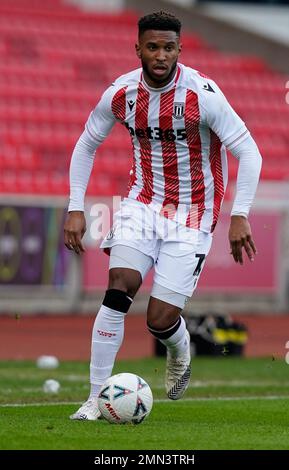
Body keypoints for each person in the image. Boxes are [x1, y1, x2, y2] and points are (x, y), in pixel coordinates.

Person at [64, 11, 262, 420]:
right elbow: (85, 145)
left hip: (193, 212)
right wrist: (75, 206)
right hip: (144, 202)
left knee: (160, 319)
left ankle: (179, 347)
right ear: (137, 48)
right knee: (119, 287)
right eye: (152, 47)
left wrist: (239, 215)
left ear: (179, 49)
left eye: (168, 47)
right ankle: (95, 397)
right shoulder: (121, 94)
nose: (160, 55)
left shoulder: (201, 95)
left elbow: (249, 151)